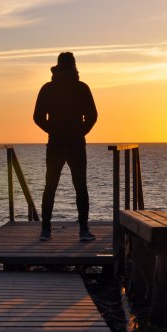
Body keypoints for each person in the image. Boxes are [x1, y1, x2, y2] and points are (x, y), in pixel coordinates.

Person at [33, 52, 98, 242]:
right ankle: (83, 229)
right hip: (72, 144)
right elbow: (93, 116)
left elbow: (38, 117)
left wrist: (52, 130)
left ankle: (46, 230)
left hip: (58, 144)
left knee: (51, 187)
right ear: (74, 67)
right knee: (79, 187)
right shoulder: (79, 88)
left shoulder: (51, 88)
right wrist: (80, 131)